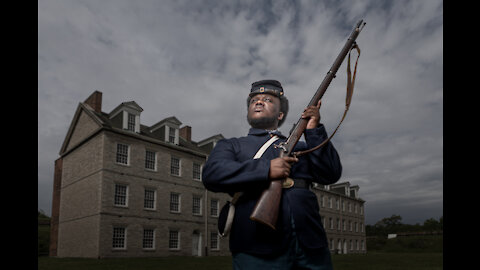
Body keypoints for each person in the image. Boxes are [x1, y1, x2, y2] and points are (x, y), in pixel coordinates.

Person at [202, 79, 342, 270]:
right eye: (254, 100)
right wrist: (266, 169)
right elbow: (212, 174)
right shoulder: (231, 145)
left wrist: (314, 130)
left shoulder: (302, 147)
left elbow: (331, 173)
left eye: (267, 99)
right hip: (256, 248)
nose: (258, 102)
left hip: (311, 245)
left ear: (281, 114)